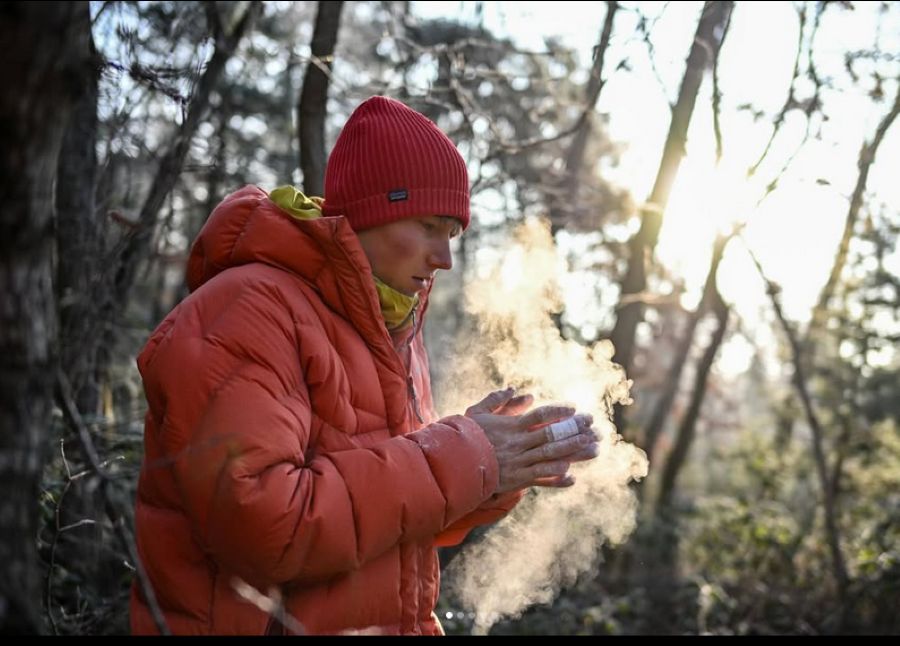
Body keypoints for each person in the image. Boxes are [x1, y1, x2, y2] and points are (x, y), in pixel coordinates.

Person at [130, 95, 600, 635]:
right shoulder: (246, 309)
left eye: (451, 235)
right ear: (373, 212)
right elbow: (266, 529)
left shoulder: (392, 328)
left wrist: (492, 467)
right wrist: (458, 455)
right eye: (429, 226)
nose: (444, 258)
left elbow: (391, 520)